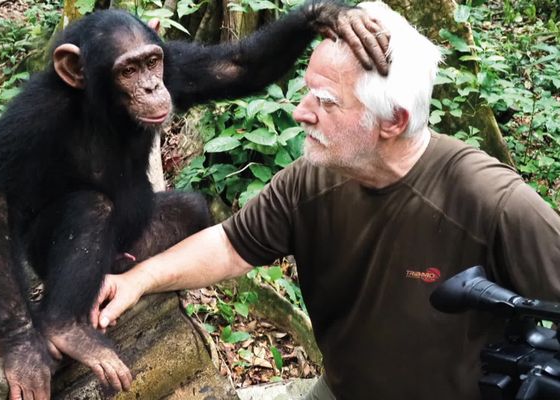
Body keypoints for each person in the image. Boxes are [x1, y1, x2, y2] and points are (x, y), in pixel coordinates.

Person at [90, 2, 560, 399]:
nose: (300, 112)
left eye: (326, 101)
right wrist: (139, 278)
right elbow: (231, 246)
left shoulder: (491, 201)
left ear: (392, 120)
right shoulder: (314, 178)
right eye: (305, 90)